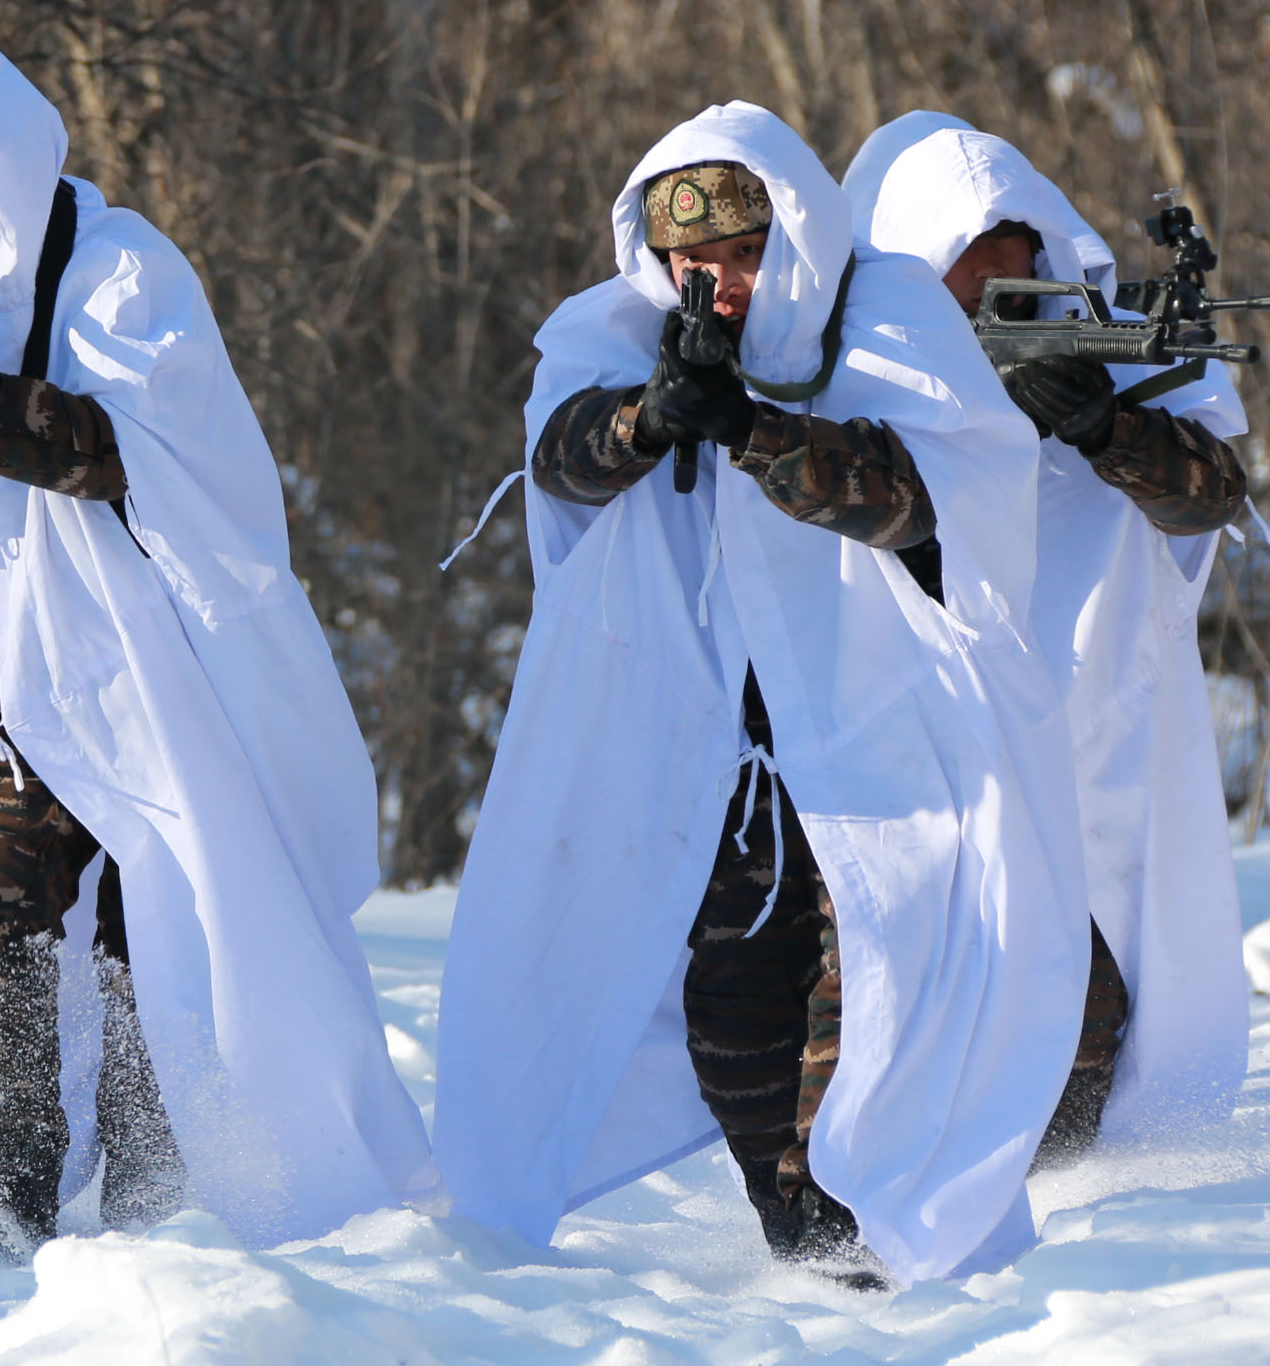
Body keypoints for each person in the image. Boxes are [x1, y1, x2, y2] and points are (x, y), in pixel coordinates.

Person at [0, 29, 434, 1255]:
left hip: (153, 680)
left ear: (2, 167)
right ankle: (8, 1189)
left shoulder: (122, 271)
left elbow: (138, 454)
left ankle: (172, 1191)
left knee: (169, 942)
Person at [432, 102, 1087, 1284]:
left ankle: (891, 1233)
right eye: (700, 264)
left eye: (749, 257)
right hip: (726, 759)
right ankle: (804, 1238)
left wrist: (754, 429)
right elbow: (562, 460)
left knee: (883, 983)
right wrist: (649, 416)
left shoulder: (885, 319)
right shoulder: (617, 334)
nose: (726, 287)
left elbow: (925, 498)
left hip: (891, 748)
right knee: (734, 1009)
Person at [844, 112, 1252, 1152]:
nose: (994, 314)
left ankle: (1065, 1214)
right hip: (899, 775)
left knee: (1074, 1009)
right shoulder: (846, 391)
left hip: (1070, 769)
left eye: (1015, 291)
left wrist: (1099, 423)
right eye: (966, 295)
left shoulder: (1101, 366)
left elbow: (1206, 500)